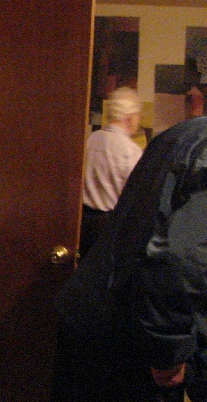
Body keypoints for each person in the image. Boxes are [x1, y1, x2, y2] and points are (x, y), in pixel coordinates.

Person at [52, 116, 207, 402]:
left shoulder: (184, 133)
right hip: (134, 337)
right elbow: (177, 261)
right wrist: (168, 353)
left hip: (98, 305)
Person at [79, 86, 143, 257]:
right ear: (130, 117)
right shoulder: (131, 151)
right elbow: (136, 197)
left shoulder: (91, 139)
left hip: (83, 221)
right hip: (111, 224)